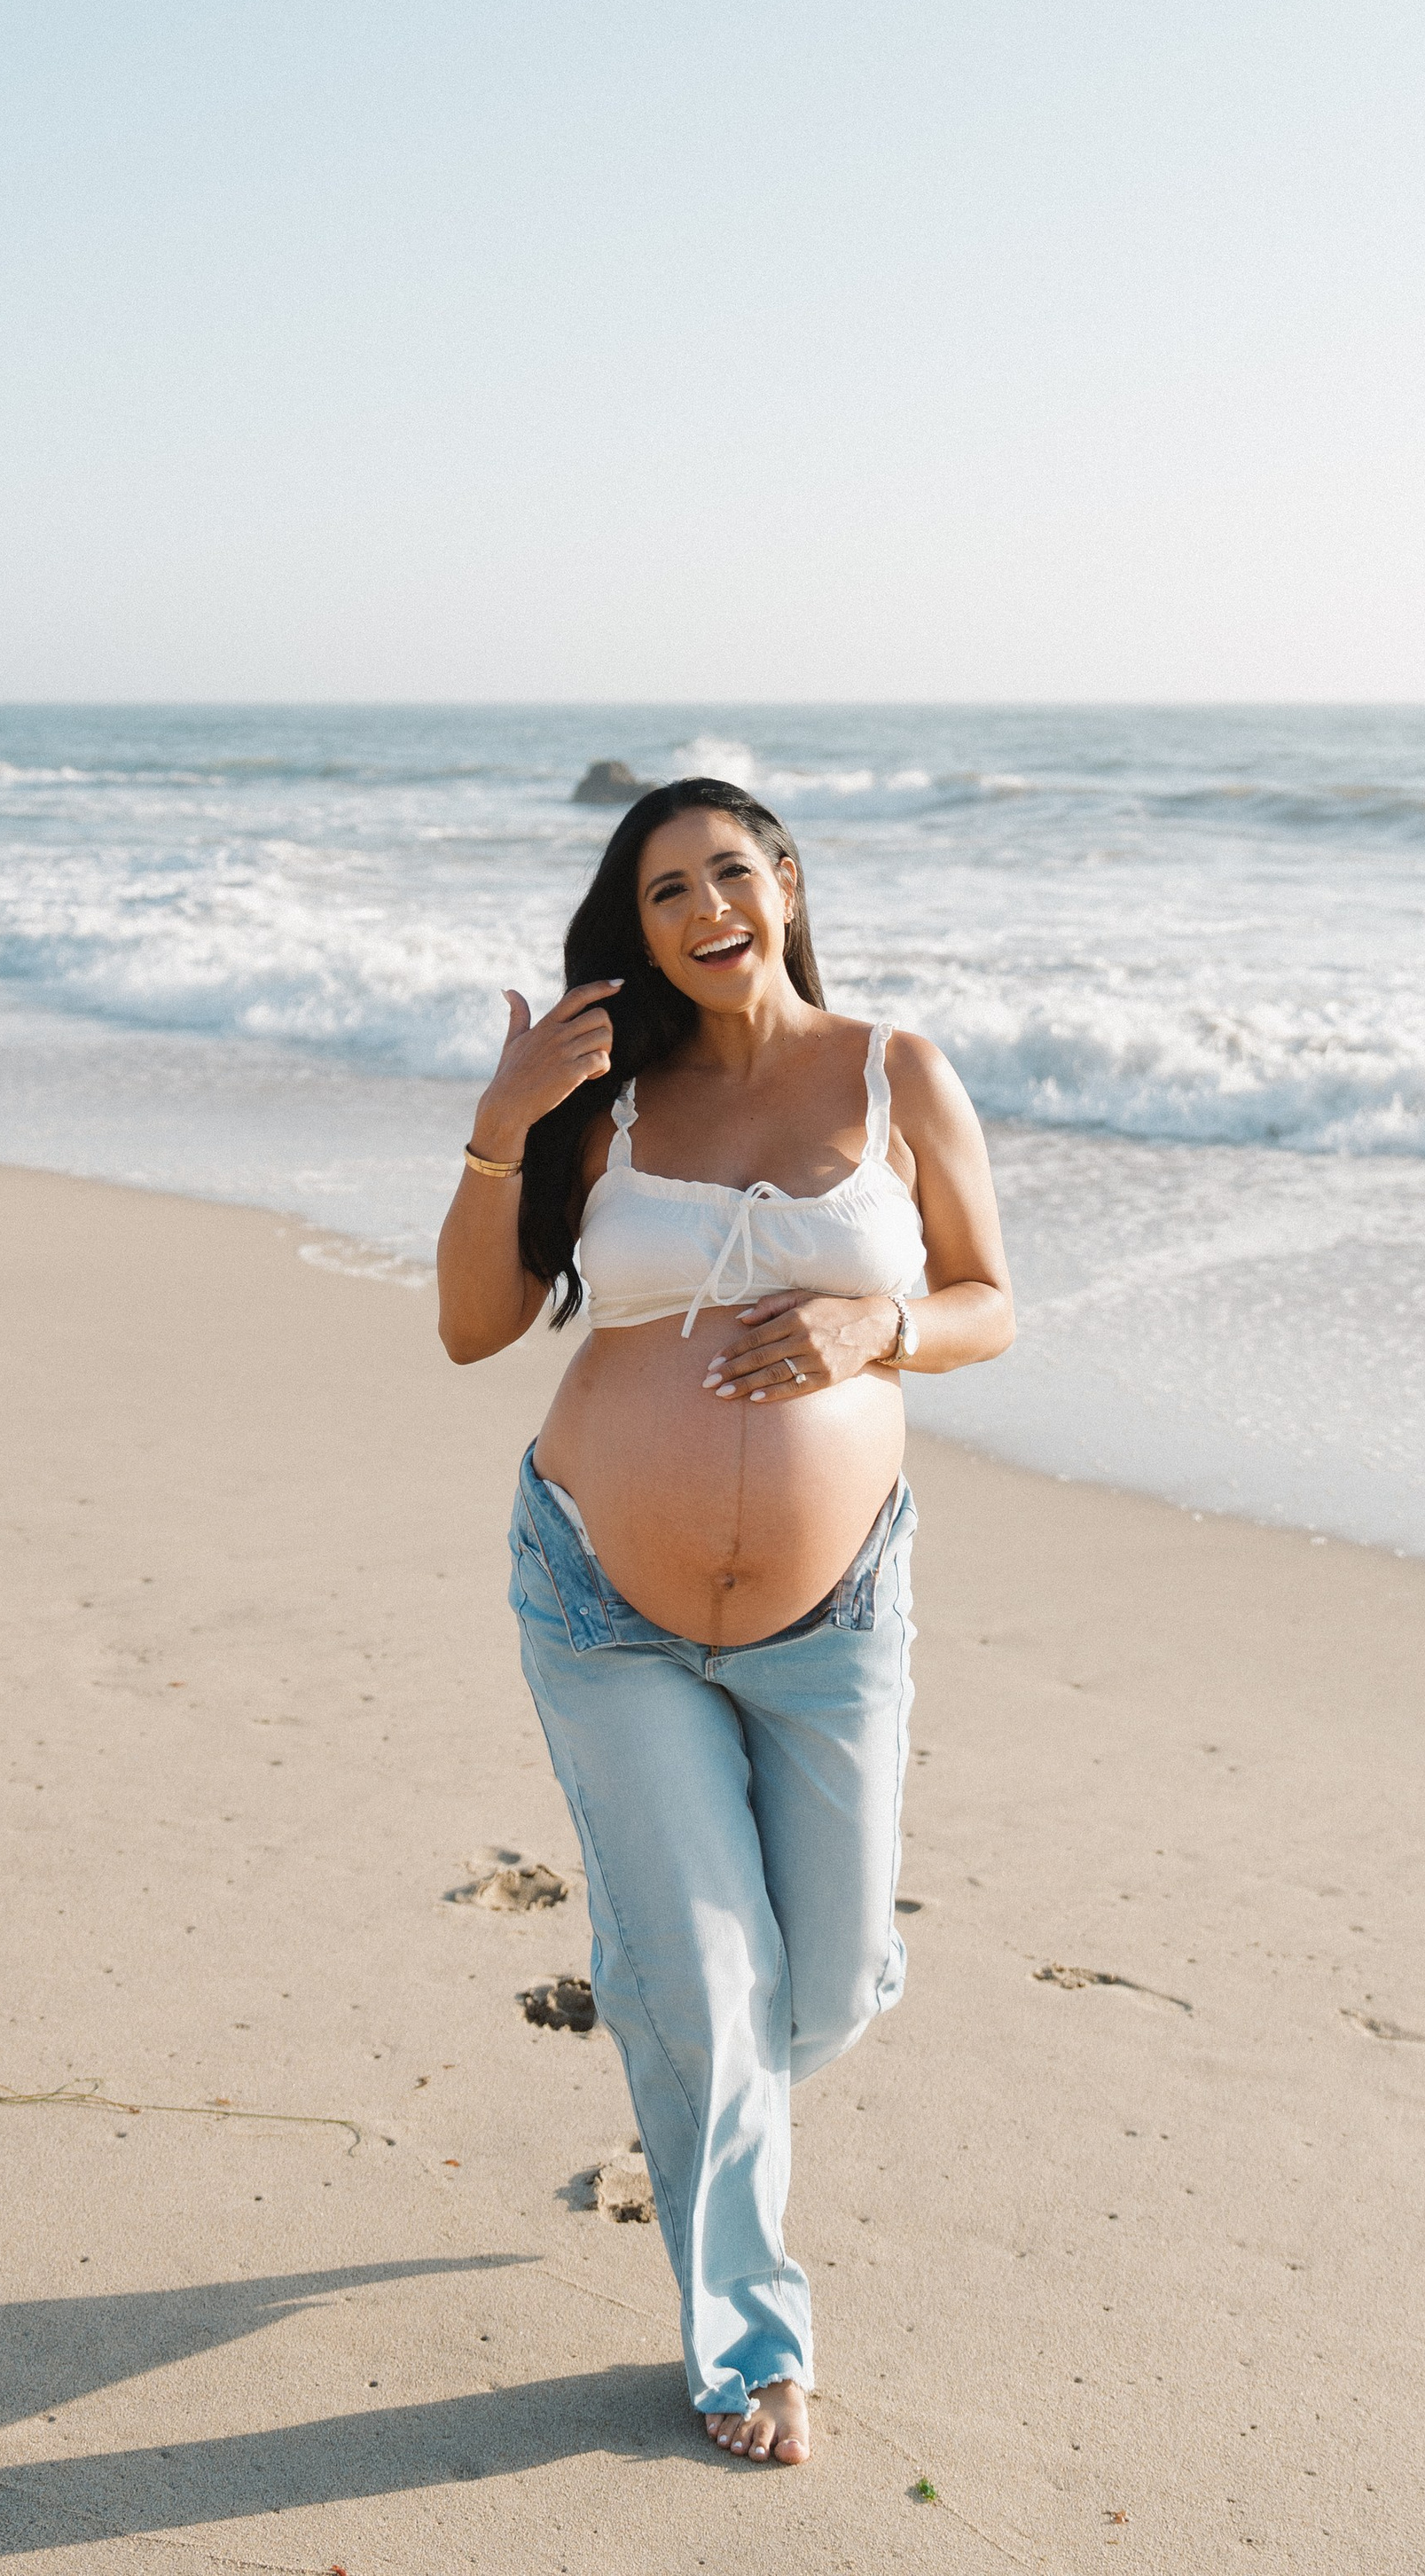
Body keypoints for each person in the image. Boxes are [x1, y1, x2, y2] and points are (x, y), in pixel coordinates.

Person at [436, 776, 1014, 2466]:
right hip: (600, 1602)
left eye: (732, 872)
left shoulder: (893, 1070)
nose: (707, 909)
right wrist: (499, 1123)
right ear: (643, 921)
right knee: (707, 1976)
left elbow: (992, 1299)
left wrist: (873, 1330)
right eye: (668, 886)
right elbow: (479, 1329)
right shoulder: (602, 1097)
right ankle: (751, 2348)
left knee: (808, 1996)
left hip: (832, 1618)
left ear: (788, 882)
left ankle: (701, 1987)